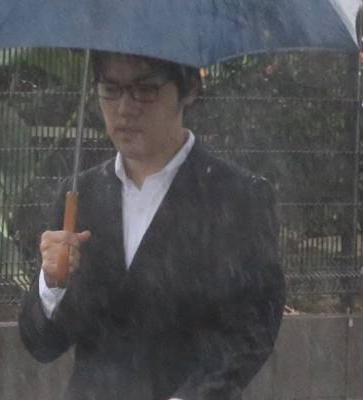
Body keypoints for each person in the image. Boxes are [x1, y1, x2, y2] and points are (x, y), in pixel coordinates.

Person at [18, 51, 286, 400]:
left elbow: (252, 329)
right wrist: (52, 284)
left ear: (189, 89)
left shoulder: (237, 198)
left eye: (145, 90)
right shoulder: (81, 196)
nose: (124, 108)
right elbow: (42, 344)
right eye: (110, 89)